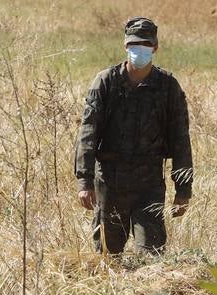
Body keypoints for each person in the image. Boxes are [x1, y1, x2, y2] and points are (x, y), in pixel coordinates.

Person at [73, 17, 194, 255]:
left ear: (155, 47)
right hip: (109, 184)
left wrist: (183, 190)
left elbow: (181, 139)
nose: (139, 49)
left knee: (152, 257)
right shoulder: (106, 82)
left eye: (145, 44)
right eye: (134, 44)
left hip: (149, 185)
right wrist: (84, 182)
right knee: (108, 256)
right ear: (125, 46)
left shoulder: (168, 87)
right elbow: (88, 133)